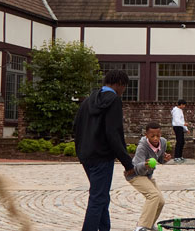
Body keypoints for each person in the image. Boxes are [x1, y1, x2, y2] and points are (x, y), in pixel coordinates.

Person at [72, 70, 136, 231]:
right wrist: (128, 163)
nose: (123, 91)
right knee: (98, 197)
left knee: (101, 196)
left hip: (86, 155)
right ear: (120, 84)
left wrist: (80, 151)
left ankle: (104, 228)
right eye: (124, 87)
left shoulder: (88, 100)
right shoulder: (114, 100)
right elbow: (113, 133)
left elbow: (76, 127)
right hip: (102, 157)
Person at [127, 122, 172, 231]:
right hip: (134, 174)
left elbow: (160, 158)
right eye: (152, 136)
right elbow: (136, 167)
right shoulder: (142, 147)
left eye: (158, 135)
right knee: (153, 195)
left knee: (161, 201)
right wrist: (145, 165)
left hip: (147, 175)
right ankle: (141, 227)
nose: (156, 138)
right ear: (146, 135)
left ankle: (149, 224)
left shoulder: (163, 142)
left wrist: (164, 159)